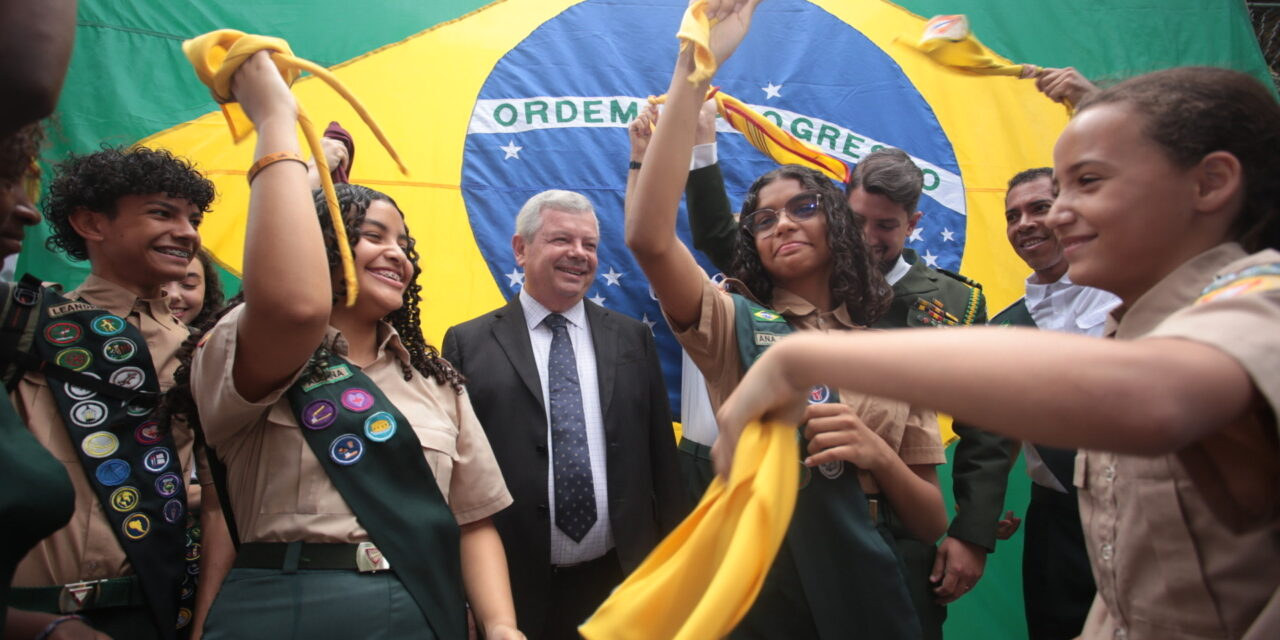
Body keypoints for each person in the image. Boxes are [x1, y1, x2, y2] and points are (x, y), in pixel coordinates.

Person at [714, 66, 1280, 640]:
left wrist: (806, 360)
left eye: (1089, 182)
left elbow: (1154, 399)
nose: (1056, 215)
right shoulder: (1128, 329)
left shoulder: (1262, 304)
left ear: (1210, 184)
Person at [175, 51, 521, 639]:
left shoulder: (436, 381)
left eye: (405, 244)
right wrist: (277, 121)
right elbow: (292, 305)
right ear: (322, 244)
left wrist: (501, 626)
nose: (397, 253)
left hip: (419, 607)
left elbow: (474, 520)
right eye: (372, 236)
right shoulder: (255, 351)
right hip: (283, 608)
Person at [624, 1, 942, 636]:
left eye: (803, 206)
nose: (783, 223)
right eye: (763, 219)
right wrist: (694, 65)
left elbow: (932, 519)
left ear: (841, 227)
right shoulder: (731, 324)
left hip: (877, 574)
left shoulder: (901, 347)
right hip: (769, 576)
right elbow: (650, 239)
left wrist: (876, 451)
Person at [677, 86, 993, 640]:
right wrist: (695, 141)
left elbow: (984, 426)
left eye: (887, 226)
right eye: (856, 219)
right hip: (785, 558)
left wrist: (973, 530)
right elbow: (698, 240)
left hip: (885, 552)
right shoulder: (751, 317)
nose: (869, 237)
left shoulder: (950, 302)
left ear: (913, 223)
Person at [442, 189, 686, 639]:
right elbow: (455, 478)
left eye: (589, 245)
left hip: (620, 580)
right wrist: (463, 593)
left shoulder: (631, 339)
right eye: (561, 240)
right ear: (521, 249)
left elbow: (662, 463)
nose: (579, 254)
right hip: (512, 592)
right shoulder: (467, 343)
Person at [5, 142, 214, 640]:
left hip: (151, 611)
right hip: (23, 614)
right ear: (91, 224)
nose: (186, 232)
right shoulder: (25, 323)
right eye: (162, 213)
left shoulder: (207, 350)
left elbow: (218, 501)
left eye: (193, 218)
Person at [994, 166, 1117, 639]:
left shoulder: (1132, 295)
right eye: (1012, 215)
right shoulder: (1004, 327)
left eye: (1038, 208)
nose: (1023, 223)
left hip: (1146, 514)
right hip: (1059, 528)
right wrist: (984, 515)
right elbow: (996, 429)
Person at [160, 247, 224, 327]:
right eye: (159, 282)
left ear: (207, 290)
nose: (173, 294)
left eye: (189, 284)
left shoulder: (219, 336)